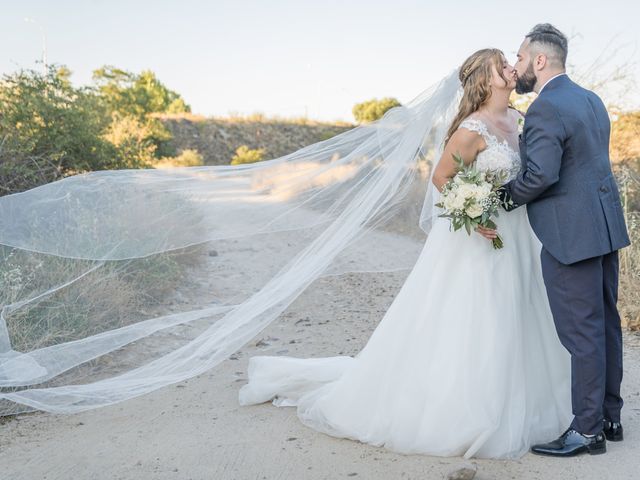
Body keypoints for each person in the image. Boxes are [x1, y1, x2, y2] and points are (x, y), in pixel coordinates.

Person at [238, 46, 575, 460]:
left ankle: (537, 400)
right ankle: (470, 407)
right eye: (501, 64)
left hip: (519, 234)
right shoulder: (472, 128)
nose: (510, 67)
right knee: (484, 316)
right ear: (486, 81)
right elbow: (442, 178)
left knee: (524, 310)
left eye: (510, 61)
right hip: (480, 237)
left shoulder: (519, 120)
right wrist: (472, 213)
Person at [497, 23, 630, 457]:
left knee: (582, 332)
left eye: (519, 57)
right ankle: (610, 416)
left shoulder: (544, 108)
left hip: (571, 234)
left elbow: (542, 175)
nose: (515, 66)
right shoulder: (591, 99)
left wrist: (501, 198)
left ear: (539, 60)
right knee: (605, 324)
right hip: (605, 228)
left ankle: (586, 429)